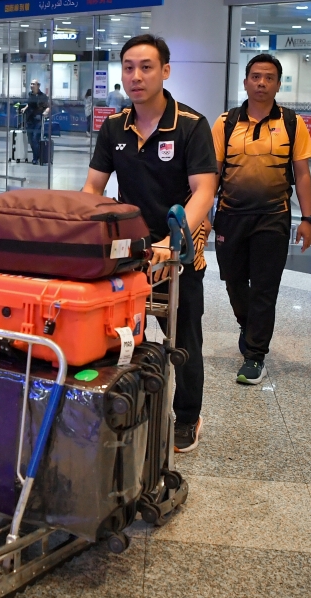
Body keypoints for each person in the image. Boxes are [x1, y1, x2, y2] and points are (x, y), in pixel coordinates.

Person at [81, 34, 218, 453]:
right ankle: (129, 404)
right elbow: (93, 186)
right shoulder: (114, 126)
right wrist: (82, 229)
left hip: (177, 252)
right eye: (128, 67)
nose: (135, 76)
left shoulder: (191, 126)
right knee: (124, 333)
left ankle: (189, 415)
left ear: (165, 71)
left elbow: (204, 190)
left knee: (182, 339)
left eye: (145, 67)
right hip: (129, 251)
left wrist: (170, 241)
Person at [212, 53, 311, 385]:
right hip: (230, 216)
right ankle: (249, 324)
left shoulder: (291, 122)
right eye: (256, 76)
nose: (261, 83)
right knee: (233, 281)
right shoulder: (225, 122)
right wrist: (200, 216)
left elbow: (302, 174)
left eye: (269, 77)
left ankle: (255, 356)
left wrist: (308, 218)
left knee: (265, 288)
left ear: (278, 83)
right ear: (245, 82)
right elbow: (211, 174)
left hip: (273, 217)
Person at [21, 79, 50, 164]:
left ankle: (35, 158)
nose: (32, 85)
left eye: (34, 84)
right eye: (31, 84)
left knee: (35, 139)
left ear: (38, 86)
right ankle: (37, 155)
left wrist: (46, 112)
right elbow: (29, 104)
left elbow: (48, 106)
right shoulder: (30, 94)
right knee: (30, 139)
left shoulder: (43, 96)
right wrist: (25, 108)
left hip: (37, 120)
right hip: (29, 119)